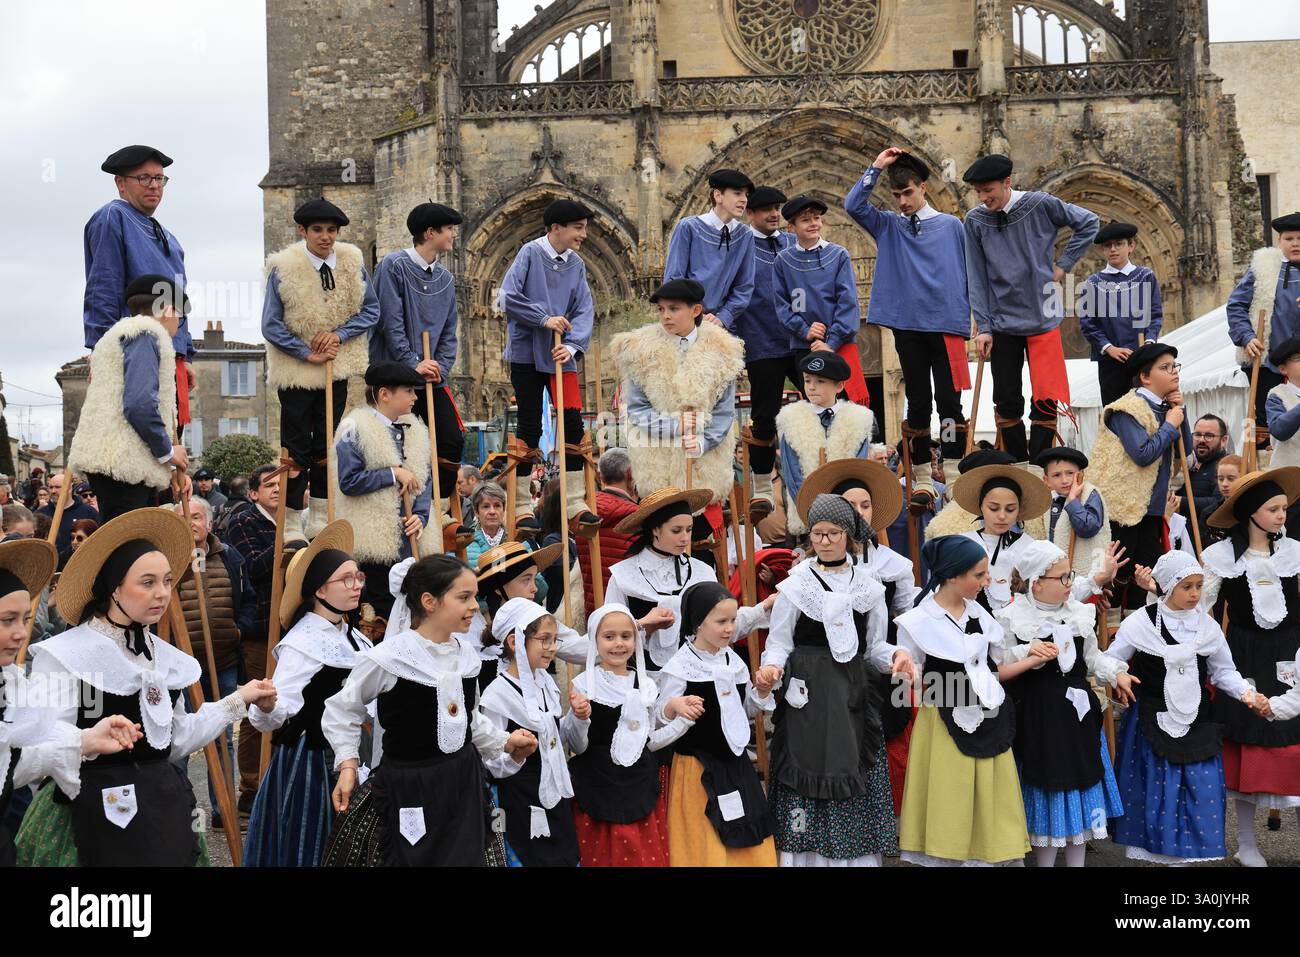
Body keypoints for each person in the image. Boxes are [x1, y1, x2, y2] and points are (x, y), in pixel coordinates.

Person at [15, 509, 277, 865]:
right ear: (114, 588)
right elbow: (40, 740)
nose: (162, 594)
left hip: (160, 812)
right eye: (147, 582)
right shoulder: (64, 653)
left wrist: (236, 702)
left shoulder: (166, 659)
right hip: (85, 816)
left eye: (168, 581)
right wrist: (88, 741)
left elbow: (173, 741)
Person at [324, 557, 538, 866]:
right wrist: (347, 764)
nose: (475, 606)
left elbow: (469, 719)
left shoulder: (467, 657)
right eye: (463, 597)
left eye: (475, 596)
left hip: (462, 785)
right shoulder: (390, 657)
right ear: (429, 602)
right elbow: (342, 708)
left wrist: (505, 742)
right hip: (409, 787)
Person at [755, 494, 917, 866]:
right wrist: (771, 670)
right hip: (808, 696)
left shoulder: (869, 586)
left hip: (852, 695)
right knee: (805, 771)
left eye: (833, 533)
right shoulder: (795, 586)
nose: (824, 540)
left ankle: (851, 856)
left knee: (853, 768)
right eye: (817, 533)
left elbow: (874, 646)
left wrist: (896, 655)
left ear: (849, 535)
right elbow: (779, 643)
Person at [1095, 550, 1269, 865]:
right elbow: (1109, 657)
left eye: (1198, 586)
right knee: (1158, 791)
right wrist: (1116, 674)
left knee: (1198, 789)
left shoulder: (1207, 626)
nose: (1194, 594)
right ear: (1166, 585)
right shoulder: (1141, 623)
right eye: (1186, 586)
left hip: (1198, 719)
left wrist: (1246, 692)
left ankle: (1189, 855)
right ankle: (1162, 854)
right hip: (1152, 718)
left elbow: (1223, 670)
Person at [0, 538, 145, 866]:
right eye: (7, 620)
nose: (23, 633)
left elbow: (13, 766)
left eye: (25, 619)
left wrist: (84, 740)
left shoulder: (8, 682)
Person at [894, 534, 1030, 866]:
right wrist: (907, 672)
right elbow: (905, 683)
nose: (987, 581)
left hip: (987, 714)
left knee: (988, 792)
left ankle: (987, 852)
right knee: (949, 792)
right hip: (942, 714)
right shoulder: (917, 621)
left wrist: (1030, 655)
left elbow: (994, 666)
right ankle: (948, 852)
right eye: (979, 575)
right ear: (953, 575)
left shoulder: (982, 617)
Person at [243, 521, 372, 867]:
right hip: (311, 761)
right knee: (311, 843)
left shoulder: (358, 639)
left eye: (358, 577)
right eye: (346, 579)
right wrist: (267, 704)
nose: (356, 585)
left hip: (352, 753)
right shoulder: (303, 643)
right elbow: (279, 708)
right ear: (319, 590)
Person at [794, 459, 915, 812]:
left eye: (865, 504)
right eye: (850, 506)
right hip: (825, 674)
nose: (859, 512)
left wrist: (898, 657)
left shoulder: (896, 566)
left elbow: (904, 618)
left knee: (883, 743)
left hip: (879, 667)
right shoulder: (806, 570)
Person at [962, 153, 1099, 461]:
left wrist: (1063, 266)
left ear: (1007, 182)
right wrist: (983, 326)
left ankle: (1041, 464)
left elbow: (1089, 223)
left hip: (1043, 318)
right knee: (1007, 400)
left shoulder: (1041, 204)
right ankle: (1015, 464)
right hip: (1001, 322)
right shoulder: (975, 220)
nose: (983, 198)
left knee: (1047, 400)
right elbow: (976, 275)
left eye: (988, 190)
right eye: (978, 192)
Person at [995, 540, 1124, 866]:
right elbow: (1000, 661)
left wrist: (1116, 673)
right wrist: (1028, 652)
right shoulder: (1012, 618)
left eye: (1071, 576)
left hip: (1077, 719)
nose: (1071, 583)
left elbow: (1093, 658)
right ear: (1037, 581)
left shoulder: (1080, 614)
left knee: (1080, 789)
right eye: (1063, 578)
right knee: (1048, 787)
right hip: (1038, 718)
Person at [845, 148, 971, 473]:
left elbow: (970, 273)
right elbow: (852, 205)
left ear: (923, 188)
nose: (902, 201)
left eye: (908, 192)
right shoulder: (889, 226)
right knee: (917, 402)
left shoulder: (951, 226)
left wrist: (978, 320)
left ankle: (954, 471)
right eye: (897, 194)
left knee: (948, 403)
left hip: (946, 326)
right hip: (908, 327)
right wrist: (875, 167)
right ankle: (922, 474)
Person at [1198, 468, 1300, 866]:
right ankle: (1246, 843)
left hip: (1290, 654)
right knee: (1247, 750)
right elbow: (1201, 610)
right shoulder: (1219, 558)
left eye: (1283, 509)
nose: (1282, 516)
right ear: (1250, 513)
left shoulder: (1294, 552)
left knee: (1292, 747)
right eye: (1273, 509)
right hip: (1242, 656)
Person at [262, 197, 380, 539]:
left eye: (331, 230)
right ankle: (291, 523)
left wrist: (339, 335)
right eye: (317, 230)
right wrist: (304, 352)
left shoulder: (352, 262)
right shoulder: (283, 267)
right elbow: (271, 324)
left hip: (337, 366)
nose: (325, 237)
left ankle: (319, 518)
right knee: (296, 446)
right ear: (303, 231)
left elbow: (370, 311)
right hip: (298, 371)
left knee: (326, 446)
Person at [610, 277, 744, 547]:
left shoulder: (724, 352)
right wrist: (676, 425)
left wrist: (703, 443)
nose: (666, 316)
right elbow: (637, 410)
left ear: (696, 311)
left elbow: (723, 413)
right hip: (658, 465)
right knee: (663, 546)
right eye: (661, 310)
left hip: (704, 465)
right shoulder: (639, 351)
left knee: (703, 550)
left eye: (673, 309)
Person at [654, 581, 778, 866]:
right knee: (706, 836)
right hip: (698, 768)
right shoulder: (680, 666)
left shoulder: (733, 661)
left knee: (744, 833)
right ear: (698, 622)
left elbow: (741, 711)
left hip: (735, 764)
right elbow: (660, 714)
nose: (729, 628)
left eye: (733, 620)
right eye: (721, 621)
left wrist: (761, 691)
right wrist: (675, 706)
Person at [498, 198, 600, 538]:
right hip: (528, 354)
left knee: (572, 422)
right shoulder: (530, 253)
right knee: (528, 426)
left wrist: (572, 345)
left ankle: (574, 501)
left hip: (562, 356)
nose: (583, 235)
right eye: (578, 228)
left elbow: (584, 307)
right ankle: (523, 506)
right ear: (556, 228)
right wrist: (544, 318)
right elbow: (508, 297)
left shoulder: (577, 264)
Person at [372, 202, 466, 536]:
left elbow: (450, 329)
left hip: (431, 377)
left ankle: (439, 508)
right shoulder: (393, 266)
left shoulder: (445, 277)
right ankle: (403, 506)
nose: (454, 234)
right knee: (405, 443)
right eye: (449, 229)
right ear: (430, 233)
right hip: (398, 376)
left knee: (450, 439)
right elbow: (390, 322)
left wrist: (440, 366)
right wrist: (414, 362)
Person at [68, 274, 193, 521]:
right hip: (123, 464)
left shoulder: (116, 337)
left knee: (129, 544)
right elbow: (140, 405)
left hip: (115, 462)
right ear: (167, 309)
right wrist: (168, 451)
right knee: (130, 548)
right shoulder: (146, 335)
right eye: (180, 314)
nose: (179, 323)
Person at [607, 487, 770, 673]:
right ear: (655, 531)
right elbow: (607, 635)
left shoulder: (701, 572)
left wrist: (763, 608)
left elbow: (721, 624)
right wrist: (643, 624)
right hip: (641, 680)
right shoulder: (624, 575)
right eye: (676, 531)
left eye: (689, 529)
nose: (685, 538)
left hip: (695, 680)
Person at [568, 603, 677, 866]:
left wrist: (681, 719)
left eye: (626, 636)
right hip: (596, 783)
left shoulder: (647, 685)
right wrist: (579, 718)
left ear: (636, 639)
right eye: (609, 637)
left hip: (638, 783)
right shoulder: (583, 684)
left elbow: (648, 740)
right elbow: (577, 745)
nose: (618, 644)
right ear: (595, 640)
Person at [479, 597, 585, 866]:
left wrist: (579, 716)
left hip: (553, 797)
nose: (551, 648)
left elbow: (556, 742)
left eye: (554, 640)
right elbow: (490, 762)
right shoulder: (497, 694)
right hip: (518, 798)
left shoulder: (546, 683)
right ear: (515, 642)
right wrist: (516, 756)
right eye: (544, 639)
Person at [1091, 341, 1194, 612]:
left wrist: (1180, 414)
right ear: (1145, 377)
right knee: (1117, 579)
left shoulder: (1168, 408)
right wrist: (1171, 424)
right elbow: (1142, 453)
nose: (1174, 372)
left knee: (1147, 578)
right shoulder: (1127, 408)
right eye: (1165, 367)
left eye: (1174, 366)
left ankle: (1140, 639)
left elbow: (1187, 450)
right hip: (1123, 510)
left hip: (1152, 509)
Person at [83, 145, 194, 386]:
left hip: (169, 358)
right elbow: (103, 288)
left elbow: (178, 303)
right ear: (121, 183)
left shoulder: (171, 240)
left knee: (167, 423)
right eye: (144, 178)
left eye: (159, 178)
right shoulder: (112, 216)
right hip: (132, 352)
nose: (154, 185)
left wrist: (185, 355)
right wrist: (102, 351)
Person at [333, 361, 437, 617]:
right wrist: (392, 473)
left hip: (410, 542)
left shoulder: (417, 429)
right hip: (375, 543)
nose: (415, 397)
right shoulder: (353, 427)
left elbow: (424, 481)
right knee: (383, 614)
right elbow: (349, 481)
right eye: (409, 391)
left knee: (413, 613)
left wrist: (421, 517)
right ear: (384, 394)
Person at [174, 496, 255, 821]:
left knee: (221, 737)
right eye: (184, 517)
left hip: (222, 662)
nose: (191, 523)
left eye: (196, 517)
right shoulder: (168, 559)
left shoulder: (230, 557)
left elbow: (248, 599)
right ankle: (178, 810)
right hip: (180, 670)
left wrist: (239, 631)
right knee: (178, 738)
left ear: (208, 522)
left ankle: (223, 810)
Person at [224, 462, 285, 815]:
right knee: (256, 705)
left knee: (281, 703)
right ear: (254, 493)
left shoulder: (290, 518)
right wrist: (283, 546)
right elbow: (251, 568)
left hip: (287, 625)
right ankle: (250, 787)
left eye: (281, 484)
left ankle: (272, 778)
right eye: (269, 485)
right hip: (260, 628)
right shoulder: (244, 520)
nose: (277, 489)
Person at [773, 194, 865, 420]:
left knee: (843, 409)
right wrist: (804, 330)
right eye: (805, 220)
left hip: (837, 346)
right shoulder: (783, 261)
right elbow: (783, 306)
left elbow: (847, 303)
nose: (814, 223)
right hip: (805, 347)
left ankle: (846, 455)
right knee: (814, 408)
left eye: (816, 218)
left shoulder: (838, 255)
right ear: (791, 226)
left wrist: (831, 342)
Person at [737, 185, 798, 520]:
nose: (774, 214)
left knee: (825, 399)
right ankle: (762, 486)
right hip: (761, 340)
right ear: (751, 214)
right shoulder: (740, 246)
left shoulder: (791, 243)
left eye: (777, 208)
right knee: (764, 416)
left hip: (798, 338)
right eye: (766, 210)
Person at [777, 352, 876, 538]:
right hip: (807, 514)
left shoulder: (858, 419)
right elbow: (792, 473)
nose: (811, 387)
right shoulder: (790, 419)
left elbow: (857, 469)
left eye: (820, 381)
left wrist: (840, 511)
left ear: (839, 385)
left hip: (847, 514)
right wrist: (812, 511)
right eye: (807, 380)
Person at [1227, 212, 1300, 455]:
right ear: (1280, 242)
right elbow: (1236, 305)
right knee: (1266, 425)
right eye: (1289, 238)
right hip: (1267, 362)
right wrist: (1247, 337)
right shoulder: (1263, 268)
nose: (1295, 243)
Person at [1078, 221, 1164, 405]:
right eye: (1108, 245)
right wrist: (1109, 348)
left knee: (1144, 413)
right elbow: (1088, 323)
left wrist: (1148, 343)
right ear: (1102, 250)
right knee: (1114, 415)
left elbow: (1155, 315)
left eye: (1119, 244)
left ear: (1131, 246)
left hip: (1142, 359)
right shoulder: (1093, 283)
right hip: (1110, 362)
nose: (1113, 249)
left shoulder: (1145, 276)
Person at [663, 168, 755, 333]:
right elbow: (674, 278)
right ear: (718, 196)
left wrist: (723, 317)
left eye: (746, 195)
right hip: (687, 323)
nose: (744, 200)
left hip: (723, 326)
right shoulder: (689, 227)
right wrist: (695, 314)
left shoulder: (745, 235)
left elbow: (744, 286)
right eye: (737, 193)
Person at [1024, 446, 1111, 583]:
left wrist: (1073, 503)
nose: (1064, 480)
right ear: (1046, 481)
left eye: (1070, 473)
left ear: (1080, 474)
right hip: (1061, 571)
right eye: (1056, 475)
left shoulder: (1089, 494)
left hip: (1090, 569)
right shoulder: (1050, 501)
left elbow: (1089, 528)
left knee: (1087, 602)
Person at [578, 448, 638, 615]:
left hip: (594, 609)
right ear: (630, 473)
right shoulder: (637, 517)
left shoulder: (582, 512)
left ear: (601, 476)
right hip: (626, 611)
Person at [36, 473, 100, 556]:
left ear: (69, 488)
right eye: (51, 487)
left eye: (58, 487)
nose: (53, 491)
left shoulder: (89, 513)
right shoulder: (41, 514)